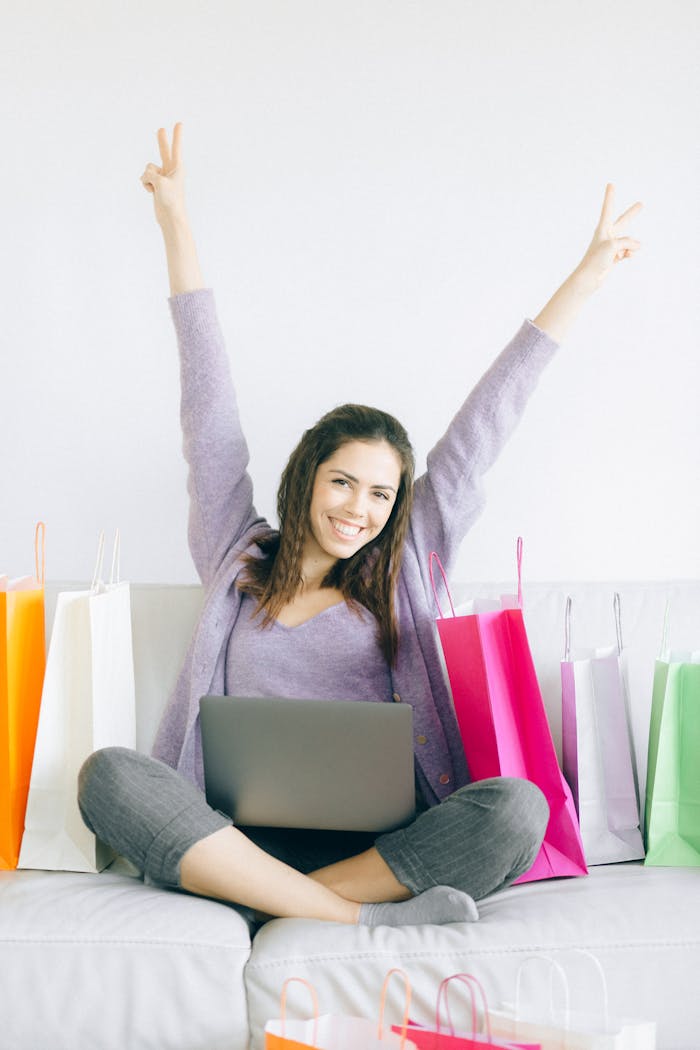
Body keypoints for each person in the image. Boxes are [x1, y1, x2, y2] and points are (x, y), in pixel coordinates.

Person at [78, 123, 642, 927]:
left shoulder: (408, 562)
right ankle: (348, 918)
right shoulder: (236, 555)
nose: (358, 509)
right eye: (343, 482)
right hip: (233, 837)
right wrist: (175, 222)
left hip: (381, 849)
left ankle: (273, 902)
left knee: (520, 809)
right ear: (308, 477)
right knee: (107, 775)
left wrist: (584, 279)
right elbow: (209, 414)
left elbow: (487, 424)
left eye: (381, 494)